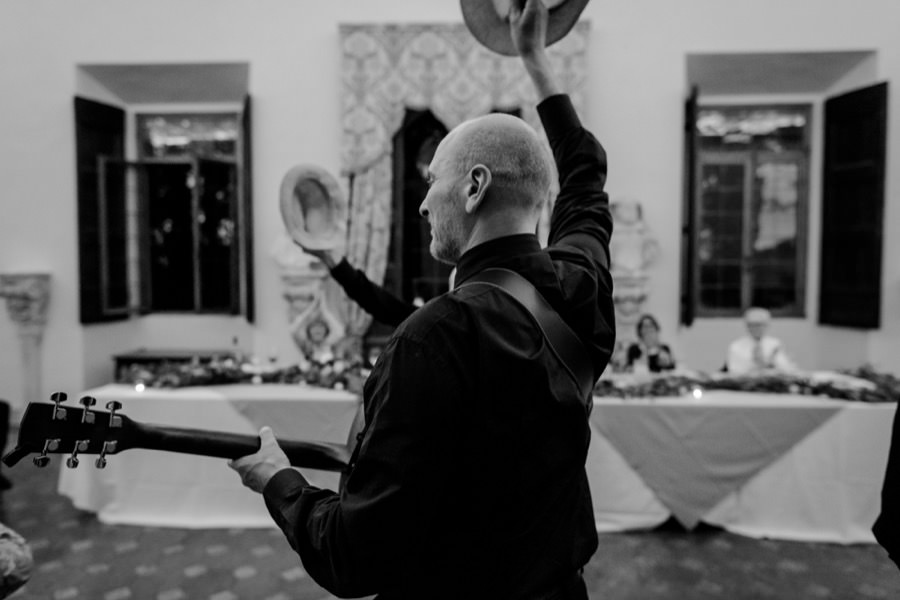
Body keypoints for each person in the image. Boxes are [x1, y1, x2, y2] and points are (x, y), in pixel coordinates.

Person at [229, 1, 615, 597]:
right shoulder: (581, 287)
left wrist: (280, 482)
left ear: (474, 186)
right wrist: (536, 60)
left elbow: (354, 558)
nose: (423, 202)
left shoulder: (433, 338)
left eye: (433, 181)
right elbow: (586, 178)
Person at [725, 306, 796, 375]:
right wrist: (756, 365)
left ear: (767, 325)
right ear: (747, 326)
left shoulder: (775, 344)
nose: (756, 328)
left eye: (760, 324)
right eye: (752, 325)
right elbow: (734, 371)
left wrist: (772, 364)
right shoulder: (736, 346)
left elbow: (786, 369)